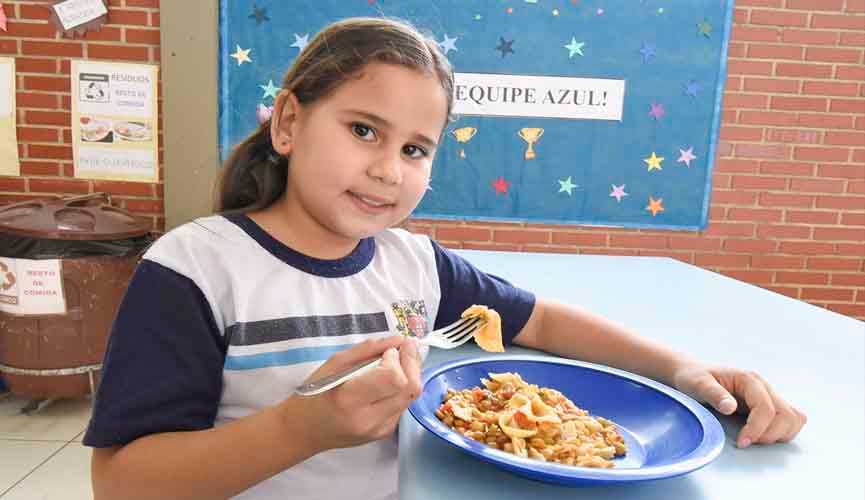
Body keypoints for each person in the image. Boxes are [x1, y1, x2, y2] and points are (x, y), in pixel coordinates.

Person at [85, 17, 806, 500]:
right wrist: (301, 428)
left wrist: (683, 370)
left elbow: (542, 321)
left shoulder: (414, 265)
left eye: (414, 149)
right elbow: (121, 482)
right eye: (363, 129)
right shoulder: (195, 269)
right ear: (289, 121)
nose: (388, 169)